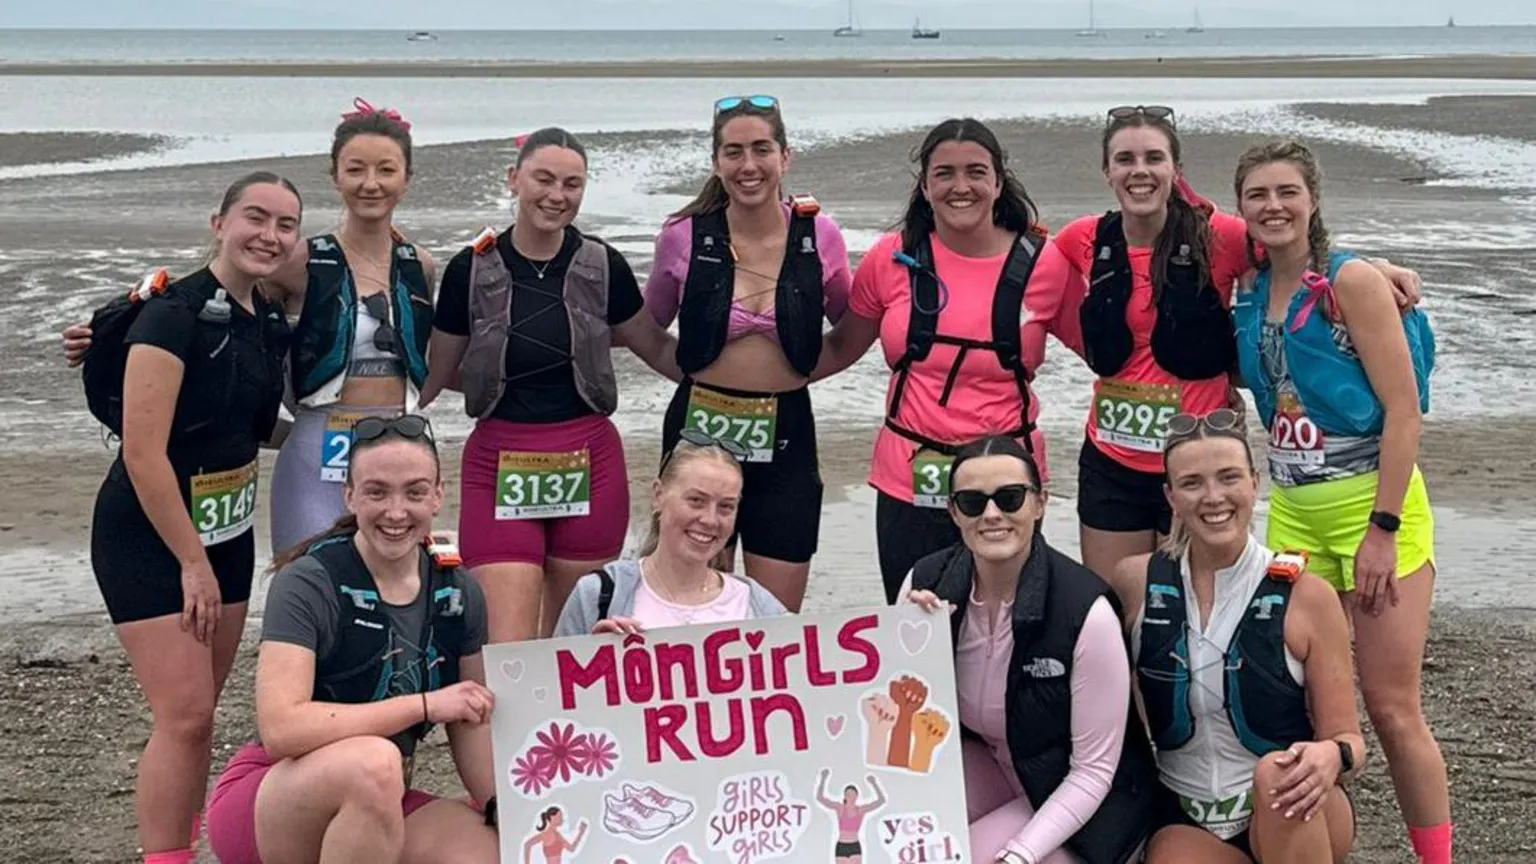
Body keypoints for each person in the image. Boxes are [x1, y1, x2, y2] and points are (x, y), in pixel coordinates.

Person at [1054, 105, 1423, 591]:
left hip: (1199, 452)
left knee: (1200, 603)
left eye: (1153, 158)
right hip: (1111, 457)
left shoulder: (1220, 237)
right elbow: (1021, 281)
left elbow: (1293, 250)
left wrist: (1373, 268)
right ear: (1107, 172)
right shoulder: (1080, 239)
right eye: (1124, 159)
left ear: (1175, 170)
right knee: (1112, 602)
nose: (1139, 171)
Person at [63, 98, 437, 557]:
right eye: (356, 169)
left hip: (399, 449)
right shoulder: (300, 260)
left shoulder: (419, 266)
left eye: (387, 170)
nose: (371, 184)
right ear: (336, 176)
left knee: (396, 597)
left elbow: (435, 356)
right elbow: (219, 296)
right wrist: (112, 328)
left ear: (407, 180)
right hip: (318, 448)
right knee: (307, 589)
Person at [1231, 140, 1448, 864]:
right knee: (1303, 702)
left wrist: (1383, 530)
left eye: (1287, 191)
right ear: (1242, 211)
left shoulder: (1350, 281)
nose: (1273, 206)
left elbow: (1404, 414)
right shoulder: (1251, 289)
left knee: (1391, 708)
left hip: (1373, 507)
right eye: (1257, 195)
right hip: (1293, 509)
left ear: (1313, 199)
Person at [86, 171, 300, 864]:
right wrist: (191, 562)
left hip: (228, 532)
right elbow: (145, 454)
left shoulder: (262, 318)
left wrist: (347, 439)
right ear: (219, 223)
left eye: (285, 225)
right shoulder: (171, 315)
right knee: (183, 714)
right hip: (153, 536)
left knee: (201, 715)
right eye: (254, 218)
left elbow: (253, 423)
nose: (268, 235)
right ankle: (164, 855)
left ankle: (181, 846)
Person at [420, 126, 682, 644]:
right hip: (498, 459)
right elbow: (433, 375)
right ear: (514, 179)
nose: (557, 195)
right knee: (506, 647)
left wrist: (742, 380)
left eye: (572, 184)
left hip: (589, 461)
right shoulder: (470, 268)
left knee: (577, 645)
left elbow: (658, 349)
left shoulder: (602, 265)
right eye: (543, 179)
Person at [205, 414, 499, 864]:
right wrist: (425, 706)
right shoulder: (308, 581)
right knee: (376, 763)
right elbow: (282, 730)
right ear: (349, 496)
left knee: (491, 850)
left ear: (438, 495)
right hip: (274, 795)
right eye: (377, 492)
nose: (396, 512)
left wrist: (500, 806)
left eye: (415, 492)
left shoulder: (458, 590)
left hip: (380, 796)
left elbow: (471, 722)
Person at [812, 118, 1082, 603]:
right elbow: (836, 350)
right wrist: (741, 376)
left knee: (1007, 627)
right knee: (914, 626)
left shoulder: (1046, 263)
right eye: (945, 173)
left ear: (999, 182)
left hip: (1006, 486)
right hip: (908, 477)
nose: (961, 187)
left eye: (976, 172)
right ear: (925, 185)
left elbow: (1110, 354)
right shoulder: (891, 257)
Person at [1111, 410, 1364, 864]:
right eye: (1192, 483)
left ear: (1255, 483)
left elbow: (1350, 740)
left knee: (1277, 773)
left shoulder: (1307, 595)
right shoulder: (1134, 583)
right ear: (1170, 496)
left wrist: (1331, 755)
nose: (1213, 497)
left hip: (1296, 806)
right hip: (1188, 812)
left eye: (1229, 478)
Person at [903, 435, 1158, 864]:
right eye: (971, 502)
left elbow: (1094, 772)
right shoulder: (925, 581)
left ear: (1040, 504)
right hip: (993, 765)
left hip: (1078, 793)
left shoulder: (1085, 611)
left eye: (1010, 498)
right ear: (952, 512)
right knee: (895, 840)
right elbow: (901, 718)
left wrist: (1019, 855)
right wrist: (904, 641)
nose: (991, 515)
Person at [643, 93, 853, 612]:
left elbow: (851, 327)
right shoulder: (682, 235)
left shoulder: (819, 235)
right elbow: (645, 329)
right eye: (733, 152)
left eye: (762, 149)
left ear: (786, 157)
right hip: (699, 427)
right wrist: (696, 373)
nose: (748, 165)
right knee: (690, 607)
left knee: (775, 619)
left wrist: (795, 376)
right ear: (716, 162)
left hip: (786, 432)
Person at [552, 429, 786, 637]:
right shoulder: (598, 595)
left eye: (726, 506)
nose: (710, 519)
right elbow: (551, 681)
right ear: (658, 495)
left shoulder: (758, 606)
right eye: (696, 500)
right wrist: (591, 658)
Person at [814, 769, 886, 863]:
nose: (850, 796)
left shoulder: (860, 810)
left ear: (856, 796)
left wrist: (874, 783)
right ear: (845, 796)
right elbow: (820, 798)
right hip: (842, 845)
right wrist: (823, 778)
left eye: (853, 794)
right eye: (848, 794)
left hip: (854, 845)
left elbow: (881, 801)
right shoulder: (840, 808)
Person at [523, 806, 588, 864]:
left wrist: (580, 833)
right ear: (552, 817)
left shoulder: (557, 834)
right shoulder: (547, 834)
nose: (562, 819)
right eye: (560, 816)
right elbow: (527, 844)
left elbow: (571, 849)